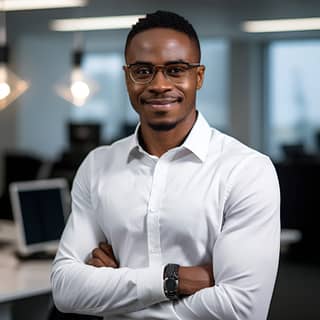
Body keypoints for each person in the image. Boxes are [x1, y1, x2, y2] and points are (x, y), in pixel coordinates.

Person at [51, 10, 280, 320]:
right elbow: (66, 290)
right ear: (127, 77)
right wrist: (176, 279)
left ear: (198, 77)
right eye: (143, 71)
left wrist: (116, 292)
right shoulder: (97, 166)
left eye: (175, 70)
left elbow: (242, 309)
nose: (159, 84)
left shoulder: (247, 170)